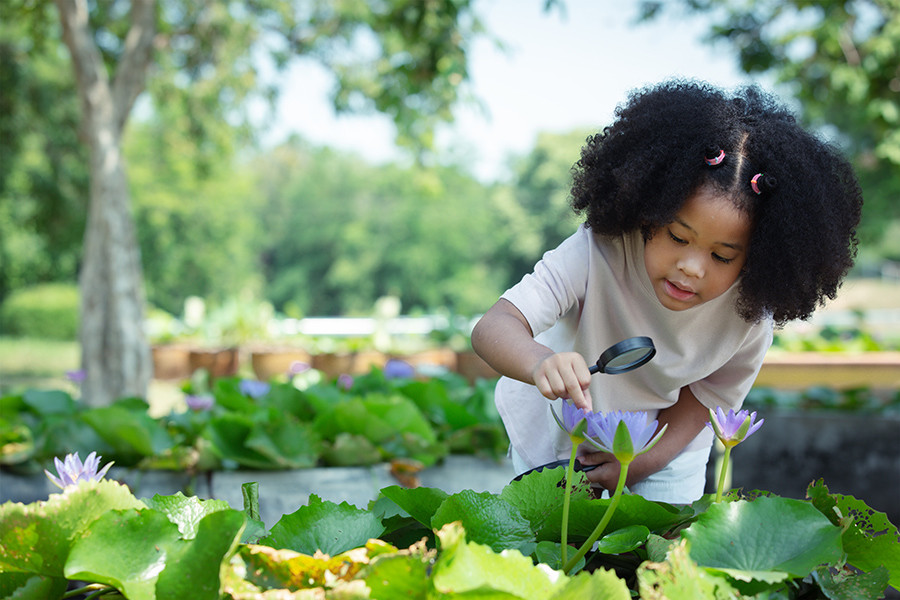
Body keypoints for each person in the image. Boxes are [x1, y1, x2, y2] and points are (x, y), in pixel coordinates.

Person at [471, 79, 863, 504]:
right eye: (678, 237)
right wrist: (539, 362)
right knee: (553, 537)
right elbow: (495, 326)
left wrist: (642, 462)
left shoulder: (750, 313)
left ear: (758, 258)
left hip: (666, 449)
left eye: (723, 256)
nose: (692, 267)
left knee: (659, 544)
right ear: (648, 213)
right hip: (560, 433)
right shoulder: (598, 250)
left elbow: (706, 399)